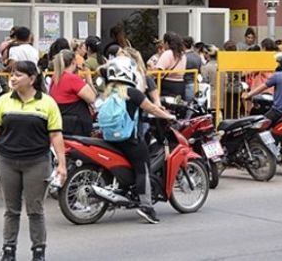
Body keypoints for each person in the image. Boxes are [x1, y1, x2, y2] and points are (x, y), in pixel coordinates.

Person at [0, 61, 66, 261]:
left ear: (32, 79)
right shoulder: (4, 101)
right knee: (11, 210)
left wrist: (62, 164)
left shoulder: (47, 103)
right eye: (12, 75)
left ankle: (38, 251)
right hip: (7, 161)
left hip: (37, 162)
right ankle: (9, 250)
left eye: (18, 75)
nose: (13, 78)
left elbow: (56, 136)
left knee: (35, 210)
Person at [100, 57, 176, 224]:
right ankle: (147, 207)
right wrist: (168, 116)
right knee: (143, 169)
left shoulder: (107, 92)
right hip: (129, 139)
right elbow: (151, 108)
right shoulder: (132, 92)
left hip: (110, 138)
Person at [243, 52, 282, 125]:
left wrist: (248, 95)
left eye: (280, 63)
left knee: (259, 125)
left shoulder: (278, 76)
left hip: (279, 112)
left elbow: (262, 87)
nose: (278, 65)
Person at [49, 50, 96, 137]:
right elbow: (91, 98)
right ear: (74, 62)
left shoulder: (55, 78)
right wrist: (89, 81)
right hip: (77, 125)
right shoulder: (72, 79)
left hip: (61, 122)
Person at [155, 32, 186, 98]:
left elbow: (158, 70)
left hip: (168, 85)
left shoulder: (168, 53)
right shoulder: (182, 55)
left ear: (166, 43)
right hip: (180, 84)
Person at [182, 36, 203, 102]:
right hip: (196, 84)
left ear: (183, 45)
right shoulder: (198, 56)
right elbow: (200, 71)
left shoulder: (183, 57)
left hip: (185, 84)